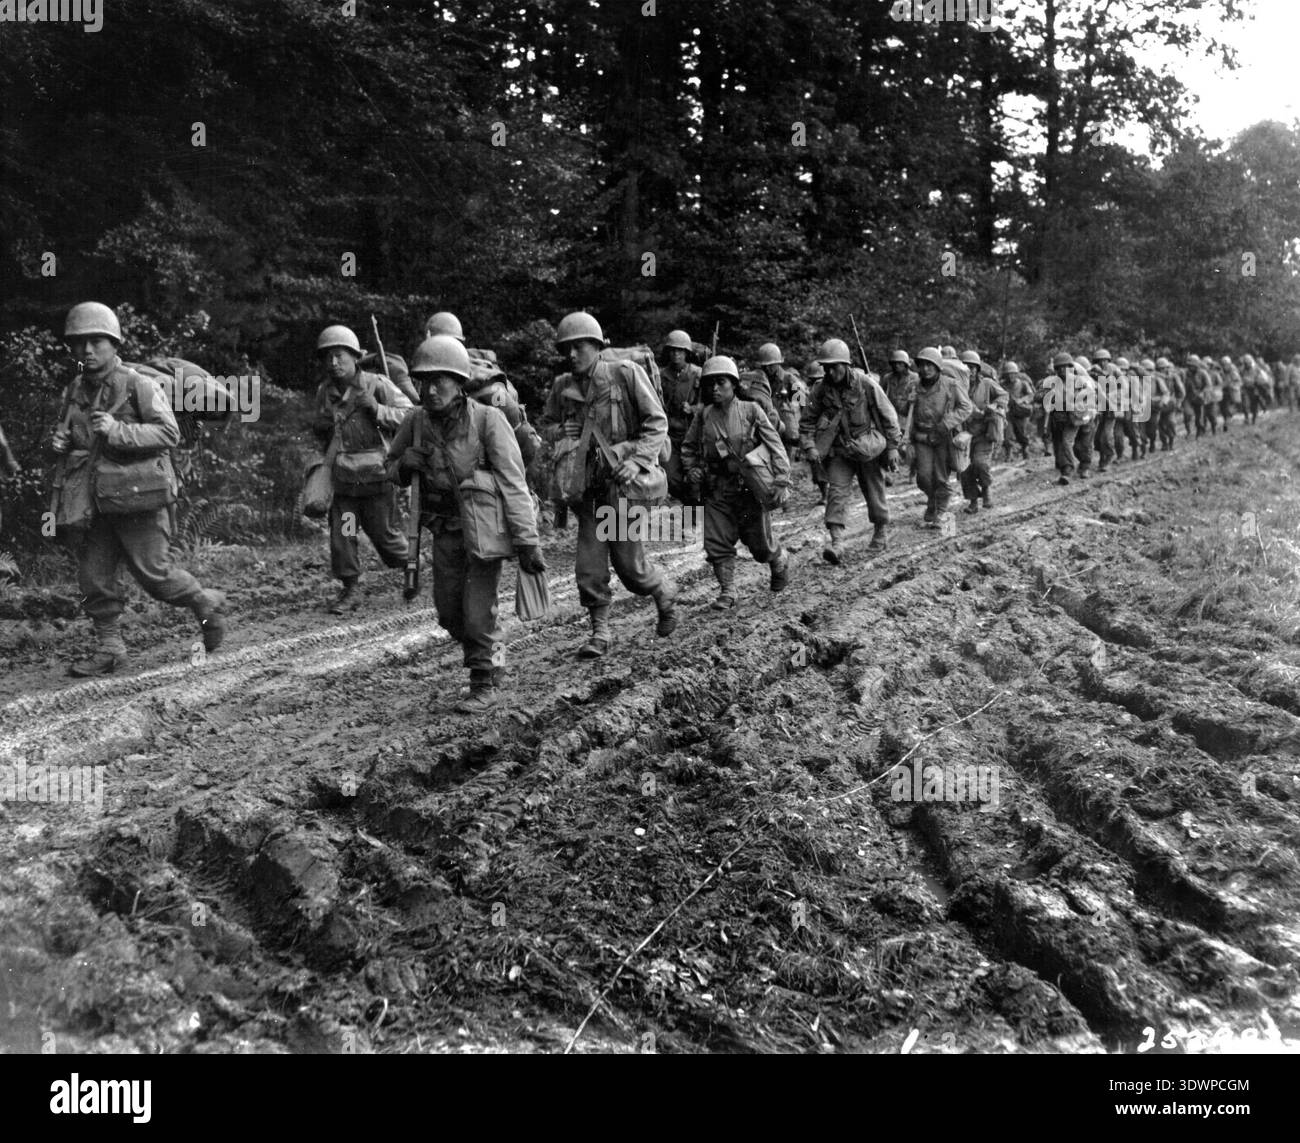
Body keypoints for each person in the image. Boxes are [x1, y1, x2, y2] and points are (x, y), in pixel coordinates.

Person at [50, 302, 228, 676]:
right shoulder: (75, 391)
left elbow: (168, 433)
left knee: (156, 577)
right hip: (94, 502)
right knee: (93, 578)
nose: (87, 351)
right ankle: (111, 649)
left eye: (96, 341)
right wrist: (63, 443)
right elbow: (78, 437)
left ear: (114, 343)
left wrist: (118, 431)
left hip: (138, 500)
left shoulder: (137, 385)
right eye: (79, 343)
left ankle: (204, 602)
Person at [387, 336, 542, 713]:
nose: (431, 388)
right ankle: (494, 651)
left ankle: (483, 682)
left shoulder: (488, 420)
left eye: (440, 379)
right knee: (448, 613)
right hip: (444, 530)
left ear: (459, 383)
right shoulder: (415, 421)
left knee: (476, 611)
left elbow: (513, 482)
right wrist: (405, 463)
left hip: (485, 532)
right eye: (424, 380)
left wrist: (527, 540)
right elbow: (390, 471)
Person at [540, 312, 678, 658]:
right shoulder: (562, 387)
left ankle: (662, 593)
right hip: (587, 489)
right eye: (567, 348)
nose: (572, 354)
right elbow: (546, 426)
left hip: (623, 487)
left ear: (598, 346)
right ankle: (600, 633)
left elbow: (656, 422)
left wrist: (635, 460)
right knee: (589, 567)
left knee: (631, 570)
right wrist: (561, 432)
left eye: (580, 346)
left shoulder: (625, 374)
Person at [310, 324, 412, 614]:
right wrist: (322, 428)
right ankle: (351, 590)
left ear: (355, 357)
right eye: (328, 357)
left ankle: (411, 566)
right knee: (344, 535)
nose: (333, 363)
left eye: (340, 355)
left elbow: (411, 417)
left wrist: (378, 410)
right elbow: (319, 431)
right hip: (344, 481)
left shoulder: (377, 385)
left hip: (377, 478)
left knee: (385, 536)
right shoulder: (325, 393)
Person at [681, 356, 791, 609]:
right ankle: (728, 591)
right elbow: (688, 447)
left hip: (748, 487)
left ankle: (779, 559)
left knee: (760, 545)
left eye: (721, 383)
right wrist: (692, 469)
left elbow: (775, 445)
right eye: (710, 384)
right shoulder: (703, 416)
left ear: (733, 384)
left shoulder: (751, 410)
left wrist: (782, 479)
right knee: (716, 542)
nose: (715, 389)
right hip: (717, 488)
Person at [800, 337, 901, 562]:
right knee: (836, 493)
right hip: (840, 451)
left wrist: (893, 447)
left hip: (867, 448)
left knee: (874, 491)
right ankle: (837, 543)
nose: (829, 372)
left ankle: (880, 532)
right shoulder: (819, 390)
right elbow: (806, 420)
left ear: (845, 365)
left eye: (834, 367)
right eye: (826, 368)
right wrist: (809, 446)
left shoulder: (865, 383)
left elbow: (889, 415)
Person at [907, 346, 972, 529]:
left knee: (941, 477)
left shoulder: (950, 384)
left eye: (930, 365)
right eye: (922, 365)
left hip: (943, 436)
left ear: (937, 367)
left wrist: (946, 424)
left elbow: (966, 407)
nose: (926, 369)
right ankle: (932, 500)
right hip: (921, 437)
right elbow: (905, 411)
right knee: (924, 477)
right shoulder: (915, 386)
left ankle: (943, 516)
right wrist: (908, 401)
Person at [958, 356, 1008, 512]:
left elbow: (1004, 396)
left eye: (972, 367)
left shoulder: (987, 384)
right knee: (965, 469)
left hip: (984, 432)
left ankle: (986, 489)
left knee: (980, 463)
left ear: (977, 369)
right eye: (965, 367)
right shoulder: (957, 386)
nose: (969, 370)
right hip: (963, 433)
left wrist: (993, 405)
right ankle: (973, 502)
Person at [659, 329, 702, 501]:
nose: (676, 354)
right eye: (673, 350)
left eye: (680, 351)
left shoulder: (698, 374)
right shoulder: (661, 376)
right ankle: (690, 503)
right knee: (670, 477)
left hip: (693, 434)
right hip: (670, 436)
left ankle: (693, 516)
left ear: (687, 352)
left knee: (694, 476)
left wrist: (693, 409)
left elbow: (709, 405)